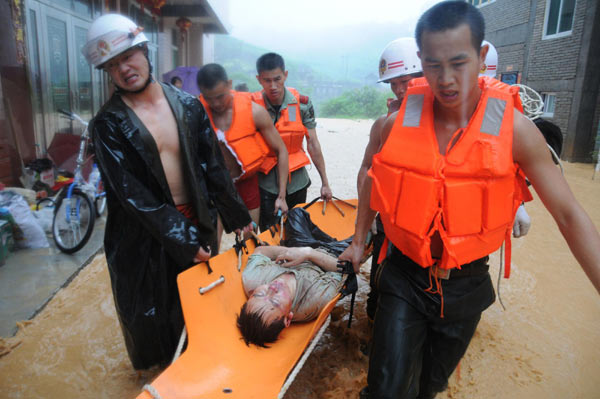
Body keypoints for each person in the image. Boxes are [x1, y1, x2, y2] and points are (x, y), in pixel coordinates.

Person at [339, 2, 600, 398]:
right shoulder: (395, 124)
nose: (445, 79)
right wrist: (358, 242)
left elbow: (568, 214)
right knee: (386, 390)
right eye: (432, 65)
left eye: (458, 63)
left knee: (429, 387)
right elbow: (371, 179)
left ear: (480, 58)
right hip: (404, 277)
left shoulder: (516, 131)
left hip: (466, 284)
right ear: (420, 63)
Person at [82, 14, 252, 370]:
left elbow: (213, 168)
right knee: (153, 320)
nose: (124, 69)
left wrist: (239, 219)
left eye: (127, 56)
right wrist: (185, 239)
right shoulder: (108, 124)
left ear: (144, 50)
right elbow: (132, 196)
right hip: (142, 236)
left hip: (196, 221)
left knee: (199, 310)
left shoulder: (188, 106)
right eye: (113, 66)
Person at [197, 63, 289, 240]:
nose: (215, 104)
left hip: (246, 184)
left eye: (220, 96)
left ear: (229, 84)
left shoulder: (255, 111)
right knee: (210, 245)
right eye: (209, 98)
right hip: (215, 187)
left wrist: (282, 196)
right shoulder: (195, 111)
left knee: (250, 241)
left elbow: (281, 150)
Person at [252, 53, 333, 231]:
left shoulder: (302, 104)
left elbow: (313, 143)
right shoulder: (252, 107)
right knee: (269, 236)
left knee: (296, 232)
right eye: (266, 80)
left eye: (277, 79)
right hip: (266, 184)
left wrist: (325, 182)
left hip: (297, 181)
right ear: (259, 79)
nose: (273, 86)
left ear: (285, 75)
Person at [237, 245, 346, 347]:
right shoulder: (316, 299)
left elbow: (260, 250)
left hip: (296, 243)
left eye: (259, 294)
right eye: (275, 301)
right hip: (333, 251)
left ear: (251, 294)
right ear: (288, 319)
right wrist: (308, 253)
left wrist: (291, 251)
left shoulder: (252, 279)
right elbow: (343, 269)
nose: (272, 289)